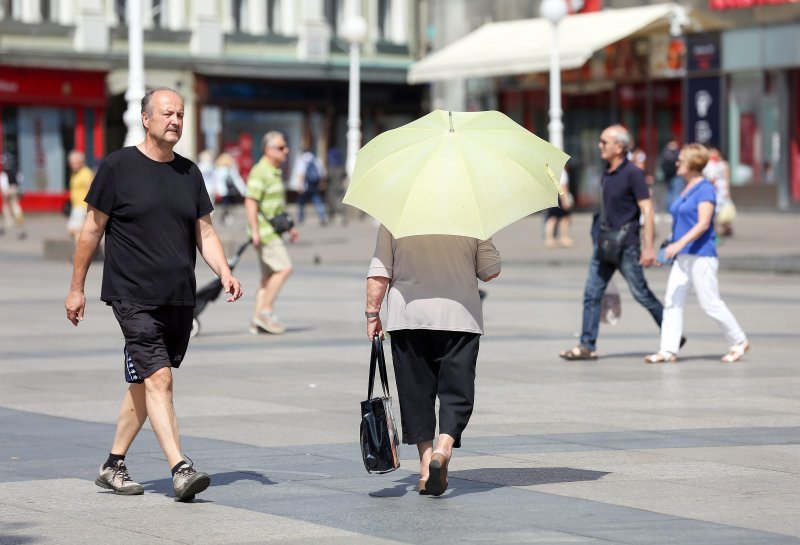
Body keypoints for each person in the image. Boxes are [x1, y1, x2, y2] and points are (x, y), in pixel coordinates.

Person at [63, 88, 243, 502]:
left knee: (147, 382)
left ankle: (113, 465)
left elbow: (205, 231)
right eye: (167, 113)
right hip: (132, 296)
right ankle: (180, 468)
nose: (175, 120)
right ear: (146, 119)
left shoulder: (190, 172)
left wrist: (225, 270)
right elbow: (92, 230)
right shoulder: (117, 167)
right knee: (159, 377)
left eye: (180, 114)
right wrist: (77, 289)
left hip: (178, 297)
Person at [365, 226, 500, 496]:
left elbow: (380, 272)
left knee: (415, 393)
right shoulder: (472, 218)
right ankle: (443, 448)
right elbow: (490, 271)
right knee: (457, 392)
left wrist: (372, 313)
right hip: (460, 317)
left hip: (408, 317)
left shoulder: (396, 216)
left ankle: (427, 469)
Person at [560, 124, 677, 361]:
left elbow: (647, 209)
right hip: (604, 244)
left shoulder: (633, 173)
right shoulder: (607, 171)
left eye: (604, 142)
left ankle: (673, 334)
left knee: (641, 294)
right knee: (592, 294)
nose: (599, 146)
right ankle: (587, 345)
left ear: (620, 146)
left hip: (627, 245)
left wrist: (647, 247)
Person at [645, 144, 749, 364]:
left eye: (681, 160)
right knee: (672, 301)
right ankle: (668, 350)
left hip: (701, 255)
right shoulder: (685, 187)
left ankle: (739, 341)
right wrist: (667, 248)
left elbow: (703, 224)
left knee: (710, 303)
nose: (676, 163)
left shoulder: (705, 189)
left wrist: (678, 244)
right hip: (682, 256)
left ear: (693, 163)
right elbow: (681, 222)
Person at [245, 131, 298, 335]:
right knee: (284, 269)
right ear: (268, 150)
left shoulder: (274, 170)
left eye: (285, 147)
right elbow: (250, 202)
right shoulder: (261, 171)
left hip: (271, 230)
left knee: (268, 277)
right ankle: (265, 313)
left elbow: (275, 207)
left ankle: (257, 320)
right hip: (265, 233)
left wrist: (290, 226)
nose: (286, 150)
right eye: (281, 147)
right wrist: (255, 232)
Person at [703, 147, 735, 237]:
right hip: (714, 188)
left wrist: (727, 190)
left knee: (723, 209)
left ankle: (726, 228)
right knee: (714, 210)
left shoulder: (723, 164)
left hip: (721, 188)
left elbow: (726, 178)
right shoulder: (710, 164)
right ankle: (715, 229)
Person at [212, 152, 247, 225]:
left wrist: (243, 190)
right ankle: (225, 216)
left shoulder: (231, 169)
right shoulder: (220, 170)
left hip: (229, 190)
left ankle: (226, 216)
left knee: (227, 204)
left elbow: (237, 180)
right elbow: (216, 181)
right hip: (224, 190)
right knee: (225, 204)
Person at [66, 150, 94, 245]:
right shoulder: (75, 173)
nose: (72, 165)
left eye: (75, 163)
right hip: (76, 206)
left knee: (74, 230)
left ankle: (79, 254)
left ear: (81, 162)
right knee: (77, 231)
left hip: (82, 206)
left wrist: (88, 208)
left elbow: (90, 190)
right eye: (71, 163)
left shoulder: (86, 173)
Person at [296, 149, 328, 225]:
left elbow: (301, 174)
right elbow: (323, 173)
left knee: (301, 203)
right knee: (318, 201)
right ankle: (322, 217)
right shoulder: (317, 160)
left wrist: (300, 185)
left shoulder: (302, 160)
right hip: (314, 185)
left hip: (305, 185)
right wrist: (321, 183)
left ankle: (301, 219)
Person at [543, 169, 574, 249]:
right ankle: (564, 238)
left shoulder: (550, 170)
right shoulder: (561, 171)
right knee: (565, 218)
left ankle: (549, 239)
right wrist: (565, 199)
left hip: (552, 196)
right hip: (560, 196)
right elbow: (561, 186)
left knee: (552, 218)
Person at [0, 153, 27, 239]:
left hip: (8, 190)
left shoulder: (5, 172)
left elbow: (3, 183)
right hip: (15, 189)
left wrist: (5, 192)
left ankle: (8, 224)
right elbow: (21, 180)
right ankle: (19, 225)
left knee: (6, 207)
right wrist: (21, 190)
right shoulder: (16, 170)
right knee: (16, 207)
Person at [660, 138, 683, 213]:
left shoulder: (664, 152)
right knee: (675, 193)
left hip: (667, 176)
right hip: (676, 176)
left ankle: (669, 210)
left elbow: (662, 165)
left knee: (669, 194)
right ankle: (673, 210)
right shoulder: (676, 153)